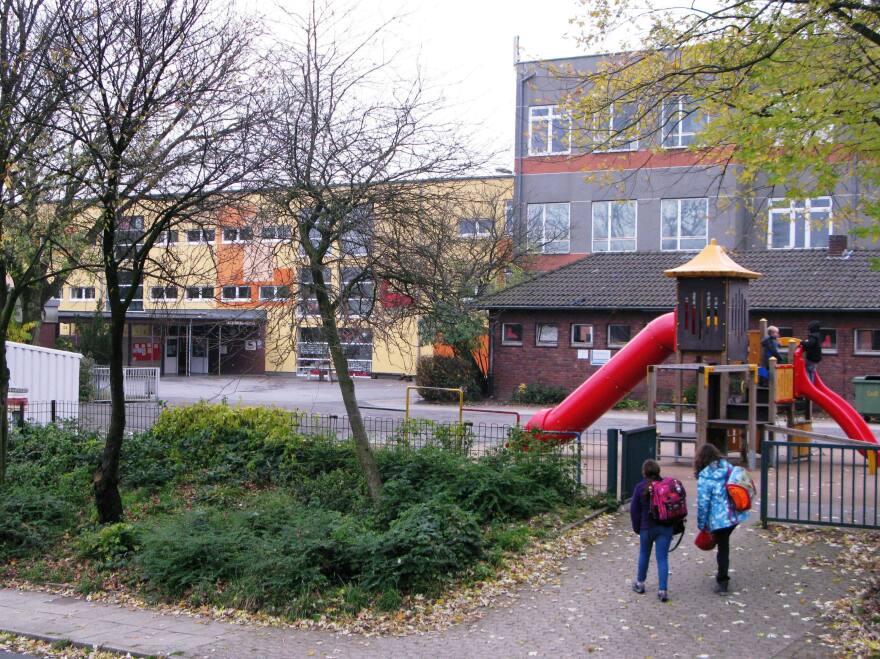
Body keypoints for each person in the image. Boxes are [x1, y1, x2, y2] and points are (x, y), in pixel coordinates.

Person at [695, 444, 749, 594]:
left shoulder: (705, 476)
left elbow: (703, 503)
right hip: (733, 516)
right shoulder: (728, 467)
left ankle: (723, 581)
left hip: (718, 519)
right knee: (723, 545)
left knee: (722, 548)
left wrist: (702, 525)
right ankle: (722, 578)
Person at [630, 459, 674, 602]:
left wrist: (637, 528)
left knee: (644, 554)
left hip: (647, 527)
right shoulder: (666, 486)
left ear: (644, 472)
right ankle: (662, 590)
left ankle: (640, 583)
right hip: (665, 527)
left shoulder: (639, 488)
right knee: (662, 558)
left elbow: (634, 511)